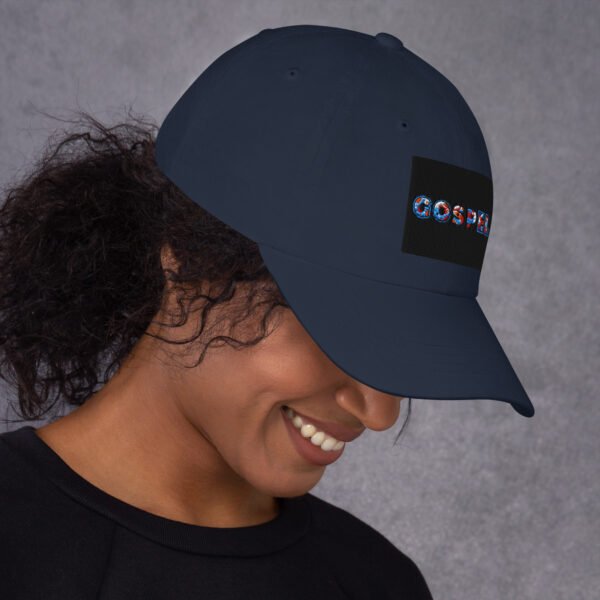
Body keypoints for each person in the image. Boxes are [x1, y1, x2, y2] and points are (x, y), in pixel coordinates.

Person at [0, 23, 534, 599]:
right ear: (184, 259)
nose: (380, 412)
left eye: (406, 351)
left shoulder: (380, 584)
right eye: (346, 331)